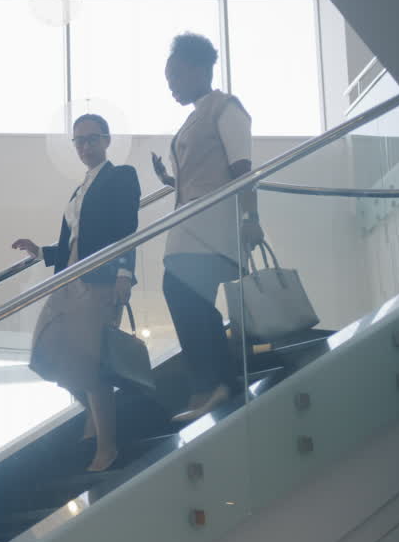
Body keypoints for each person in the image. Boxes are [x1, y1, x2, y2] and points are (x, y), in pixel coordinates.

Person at [14, 114, 141, 472]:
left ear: (106, 140)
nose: (85, 147)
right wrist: (41, 252)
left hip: (100, 282)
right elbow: (75, 242)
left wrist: (124, 274)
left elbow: (126, 231)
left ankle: (108, 446)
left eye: (92, 139)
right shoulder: (79, 189)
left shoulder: (121, 177)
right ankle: (96, 415)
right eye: (79, 141)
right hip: (69, 281)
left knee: (92, 362)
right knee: (46, 351)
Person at [152, 32, 264, 424]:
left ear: (200, 69)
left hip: (213, 223)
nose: (172, 87)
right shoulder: (195, 116)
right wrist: (169, 179)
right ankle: (211, 384)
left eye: (177, 77)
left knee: (180, 290)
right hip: (191, 221)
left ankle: (215, 381)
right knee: (185, 294)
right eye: (168, 81)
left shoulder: (226, 108)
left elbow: (242, 170)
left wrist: (252, 219)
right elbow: (201, 173)